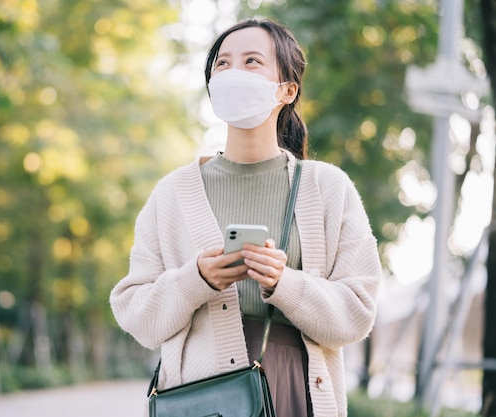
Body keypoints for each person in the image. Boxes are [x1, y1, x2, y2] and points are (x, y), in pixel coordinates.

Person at [110, 17, 381, 417]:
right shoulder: (171, 193)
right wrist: (196, 280)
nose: (233, 72)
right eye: (223, 63)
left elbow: (358, 313)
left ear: (287, 90)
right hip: (202, 397)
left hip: (297, 392)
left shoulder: (329, 188)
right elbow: (138, 317)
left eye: (252, 61)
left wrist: (283, 282)